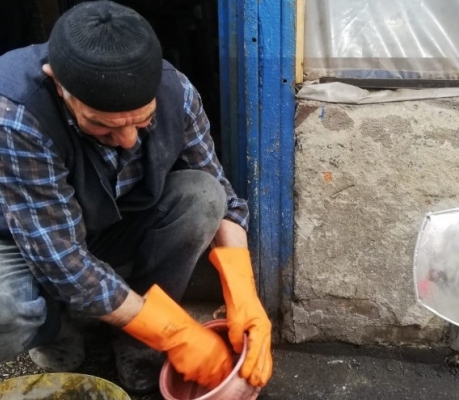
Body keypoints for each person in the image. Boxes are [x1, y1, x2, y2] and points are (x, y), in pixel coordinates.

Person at [0, 0, 272, 394]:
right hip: (23, 239)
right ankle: (55, 331)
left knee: (203, 195)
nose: (128, 140)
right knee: (8, 312)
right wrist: (176, 333)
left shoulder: (176, 91)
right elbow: (63, 260)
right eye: (102, 126)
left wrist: (244, 294)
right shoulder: (16, 113)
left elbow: (225, 200)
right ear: (58, 84)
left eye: (142, 120)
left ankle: (137, 342)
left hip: (108, 220)